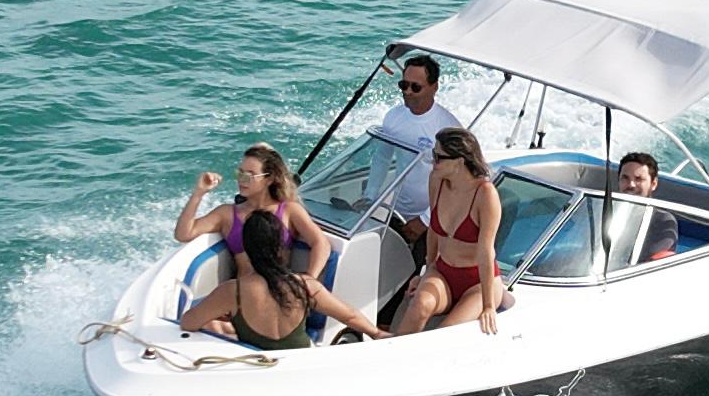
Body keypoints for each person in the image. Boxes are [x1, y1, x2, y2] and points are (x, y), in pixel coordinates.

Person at [180, 207, 381, 349]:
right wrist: (378, 334)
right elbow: (349, 316)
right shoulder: (305, 286)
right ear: (280, 248)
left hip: (255, 363)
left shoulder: (232, 291)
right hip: (299, 361)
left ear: (247, 249)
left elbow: (188, 323)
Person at [392, 127, 506, 337]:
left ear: (459, 161)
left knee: (445, 334)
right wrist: (426, 272)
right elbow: (434, 231)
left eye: (438, 157)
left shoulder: (485, 194)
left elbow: (486, 251)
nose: (433, 162)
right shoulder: (437, 180)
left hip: (477, 283)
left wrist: (489, 306)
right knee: (420, 305)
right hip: (443, 271)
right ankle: (390, 361)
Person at [175, 142, 331, 281]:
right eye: (240, 173)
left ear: (269, 179)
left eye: (250, 175)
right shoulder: (227, 214)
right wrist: (198, 193)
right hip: (241, 295)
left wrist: (310, 279)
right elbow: (184, 234)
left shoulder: (289, 210)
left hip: (279, 292)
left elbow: (320, 243)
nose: (242, 180)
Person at [366, 52, 450, 250]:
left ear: (434, 87)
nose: (407, 91)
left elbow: (455, 183)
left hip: (435, 217)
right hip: (396, 211)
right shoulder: (394, 117)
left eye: (416, 87)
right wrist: (370, 196)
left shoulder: (447, 128)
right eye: (403, 85)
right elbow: (382, 158)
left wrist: (426, 219)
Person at [616, 151, 679, 259]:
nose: (631, 185)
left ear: (653, 184)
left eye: (638, 179)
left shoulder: (663, 221)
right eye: (625, 178)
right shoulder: (606, 214)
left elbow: (649, 262)